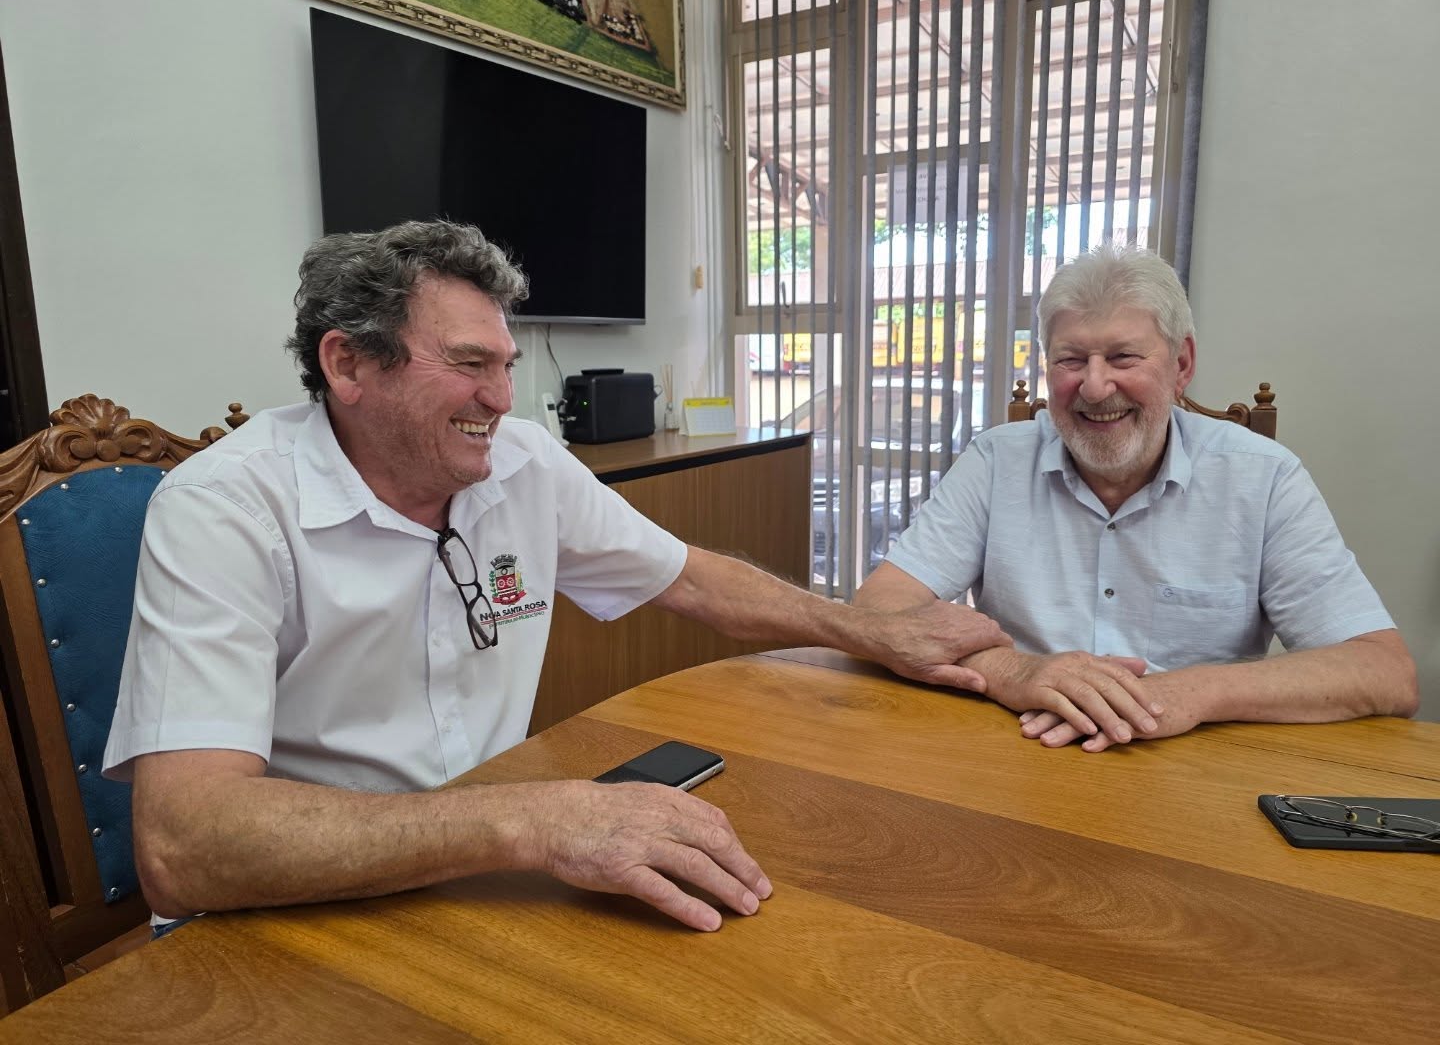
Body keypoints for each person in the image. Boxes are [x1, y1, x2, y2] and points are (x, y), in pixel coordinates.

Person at [103, 220, 1010, 934]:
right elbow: (186, 848)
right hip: (294, 914)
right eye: (468, 366)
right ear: (348, 364)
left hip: (477, 877)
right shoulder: (224, 507)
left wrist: (868, 629)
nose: (502, 401)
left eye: (504, 366)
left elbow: (692, 581)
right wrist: (533, 821)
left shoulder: (524, 462)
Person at [855, 243, 1417, 752]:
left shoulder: (1263, 477)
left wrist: (1187, 693)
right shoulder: (996, 459)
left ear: (1182, 364)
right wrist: (1011, 671)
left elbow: (1384, 671)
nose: (1095, 387)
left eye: (1124, 357)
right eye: (1071, 360)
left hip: (1193, 767)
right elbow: (878, 610)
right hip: (1017, 747)